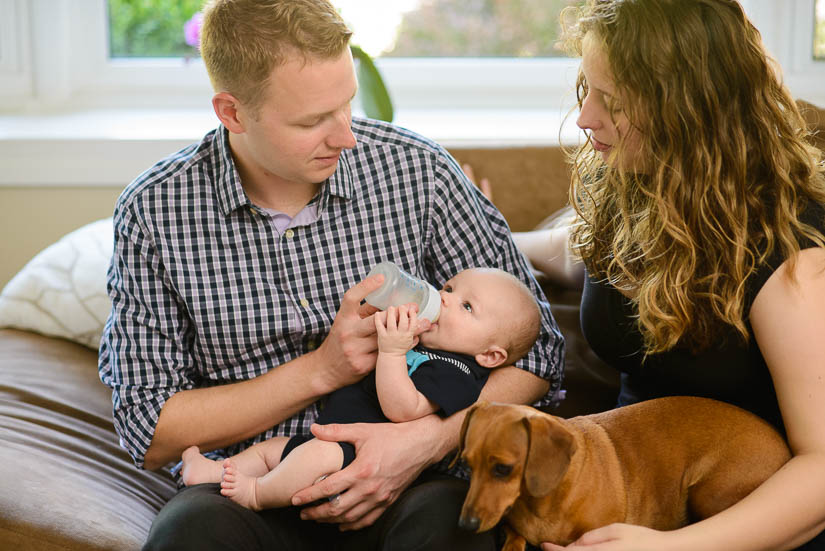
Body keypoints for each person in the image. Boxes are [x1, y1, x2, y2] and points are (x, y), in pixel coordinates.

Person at [97, 0, 564, 550]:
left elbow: (537, 355)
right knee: (191, 534)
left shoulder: (418, 172)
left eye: (345, 105)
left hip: (410, 483)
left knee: (449, 531)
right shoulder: (156, 212)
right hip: (252, 484)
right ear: (233, 112)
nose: (346, 137)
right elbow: (148, 426)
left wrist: (426, 440)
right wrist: (322, 370)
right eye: (313, 120)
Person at [476, 0, 825, 549]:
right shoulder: (638, 184)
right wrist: (484, 236)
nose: (586, 117)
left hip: (743, 512)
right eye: (585, 90)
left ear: (687, 110)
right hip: (627, 487)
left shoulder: (793, 251)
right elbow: (575, 251)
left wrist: (667, 548)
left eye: (610, 102)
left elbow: (821, 470)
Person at [179, 267, 541, 512]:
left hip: (357, 457)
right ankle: (213, 472)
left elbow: (404, 409)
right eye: (448, 288)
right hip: (326, 438)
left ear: (491, 356)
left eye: (466, 306)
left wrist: (393, 352)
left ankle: (257, 494)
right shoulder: (423, 344)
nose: (444, 298)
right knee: (271, 451)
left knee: (313, 458)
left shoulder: (459, 374)